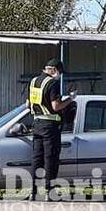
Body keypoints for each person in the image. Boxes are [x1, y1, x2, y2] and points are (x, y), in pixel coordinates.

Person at [27, 58, 76, 200]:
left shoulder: (33, 81)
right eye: (59, 72)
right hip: (50, 126)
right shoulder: (52, 83)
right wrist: (70, 99)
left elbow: (27, 105)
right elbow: (56, 107)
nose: (60, 76)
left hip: (36, 124)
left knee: (37, 159)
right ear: (54, 70)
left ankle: (33, 191)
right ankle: (50, 191)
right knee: (51, 159)